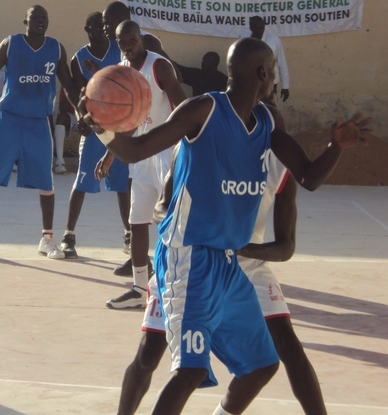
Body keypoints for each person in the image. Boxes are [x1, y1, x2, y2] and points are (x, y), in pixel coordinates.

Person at [82, 37, 371, 415]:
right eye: (273, 72)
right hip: (189, 256)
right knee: (187, 369)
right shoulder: (202, 109)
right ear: (264, 73)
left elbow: (309, 177)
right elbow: (137, 150)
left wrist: (336, 147)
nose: (274, 79)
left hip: (230, 263)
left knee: (263, 364)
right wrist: (102, 128)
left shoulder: (268, 122)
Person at [116, 153, 328, 414]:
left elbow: (286, 247)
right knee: (149, 355)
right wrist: (187, 225)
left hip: (248, 265)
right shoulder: (194, 146)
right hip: (188, 262)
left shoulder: (278, 164)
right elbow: (161, 208)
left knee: (286, 347)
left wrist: (240, 246)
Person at [0, 5, 80, 260]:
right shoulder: (11, 43)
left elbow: (69, 85)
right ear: (25, 22)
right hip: (9, 120)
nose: (40, 21)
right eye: (35, 18)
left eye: (44, 18)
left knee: (46, 182)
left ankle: (47, 238)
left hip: (38, 121)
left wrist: (82, 110)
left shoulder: (56, 48)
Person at [104, 20, 187, 309]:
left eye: (131, 39)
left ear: (141, 38)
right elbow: (132, 118)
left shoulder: (159, 66)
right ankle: (140, 288)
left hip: (166, 151)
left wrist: (187, 147)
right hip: (141, 153)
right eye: (122, 42)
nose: (127, 45)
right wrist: (111, 152)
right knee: (137, 221)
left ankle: (180, 285)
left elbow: (183, 109)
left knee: (174, 221)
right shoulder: (123, 71)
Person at [56, 11, 130, 259]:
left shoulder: (119, 49)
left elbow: (124, 82)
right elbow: (79, 96)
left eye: (106, 25)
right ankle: (69, 235)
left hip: (120, 124)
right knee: (82, 180)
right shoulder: (79, 58)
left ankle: (129, 235)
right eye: (99, 25)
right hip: (97, 126)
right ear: (88, 28)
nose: (104, 29)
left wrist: (100, 73)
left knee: (123, 184)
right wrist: (80, 118)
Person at [250, 16, 290, 104]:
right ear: (251, 27)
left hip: (270, 84)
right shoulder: (246, 41)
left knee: (270, 110)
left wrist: (285, 86)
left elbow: (282, 63)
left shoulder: (274, 40)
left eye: (262, 27)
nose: (261, 30)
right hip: (252, 84)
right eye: (258, 28)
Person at [52, 88, 75, 174]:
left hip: (90, 116)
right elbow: (62, 108)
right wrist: (72, 91)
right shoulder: (67, 83)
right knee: (61, 118)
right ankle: (60, 161)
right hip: (75, 116)